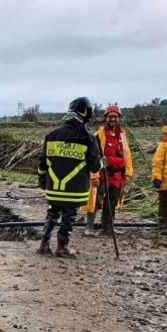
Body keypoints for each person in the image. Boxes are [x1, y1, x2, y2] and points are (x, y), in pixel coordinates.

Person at [36, 97, 103, 257]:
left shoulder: (52, 135)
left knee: (52, 213)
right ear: (87, 113)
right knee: (69, 216)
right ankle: (62, 246)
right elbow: (95, 166)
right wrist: (103, 162)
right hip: (74, 190)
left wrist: (42, 181)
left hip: (53, 188)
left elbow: (42, 164)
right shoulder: (87, 138)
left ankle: (43, 244)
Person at [91, 104, 134, 235]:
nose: (113, 119)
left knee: (112, 203)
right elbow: (92, 158)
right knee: (96, 202)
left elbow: (127, 155)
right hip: (103, 175)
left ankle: (108, 228)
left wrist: (128, 173)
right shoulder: (98, 135)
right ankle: (89, 226)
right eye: (110, 117)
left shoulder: (122, 135)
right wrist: (94, 176)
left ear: (119, 118)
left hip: (117, 176)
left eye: (115, 117)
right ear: (106, 118)